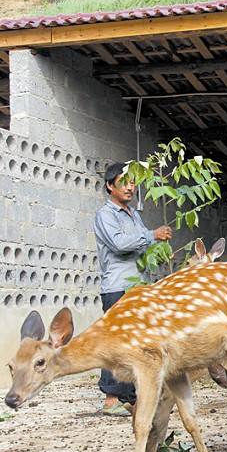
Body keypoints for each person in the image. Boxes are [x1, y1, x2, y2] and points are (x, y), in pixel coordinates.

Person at [93, 162, 172, 416]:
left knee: (135, 341)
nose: (130, 187)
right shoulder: (105, 215)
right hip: (118, 285)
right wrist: (152, 236)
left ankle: (131, 396)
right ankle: (112, 398)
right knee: (115, 339)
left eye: (133, 183)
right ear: (109, 185)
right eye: (124, 182)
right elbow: (118, 244)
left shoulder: (134, 214)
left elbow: (143, 246)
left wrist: (158, 251)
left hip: (139, 285)